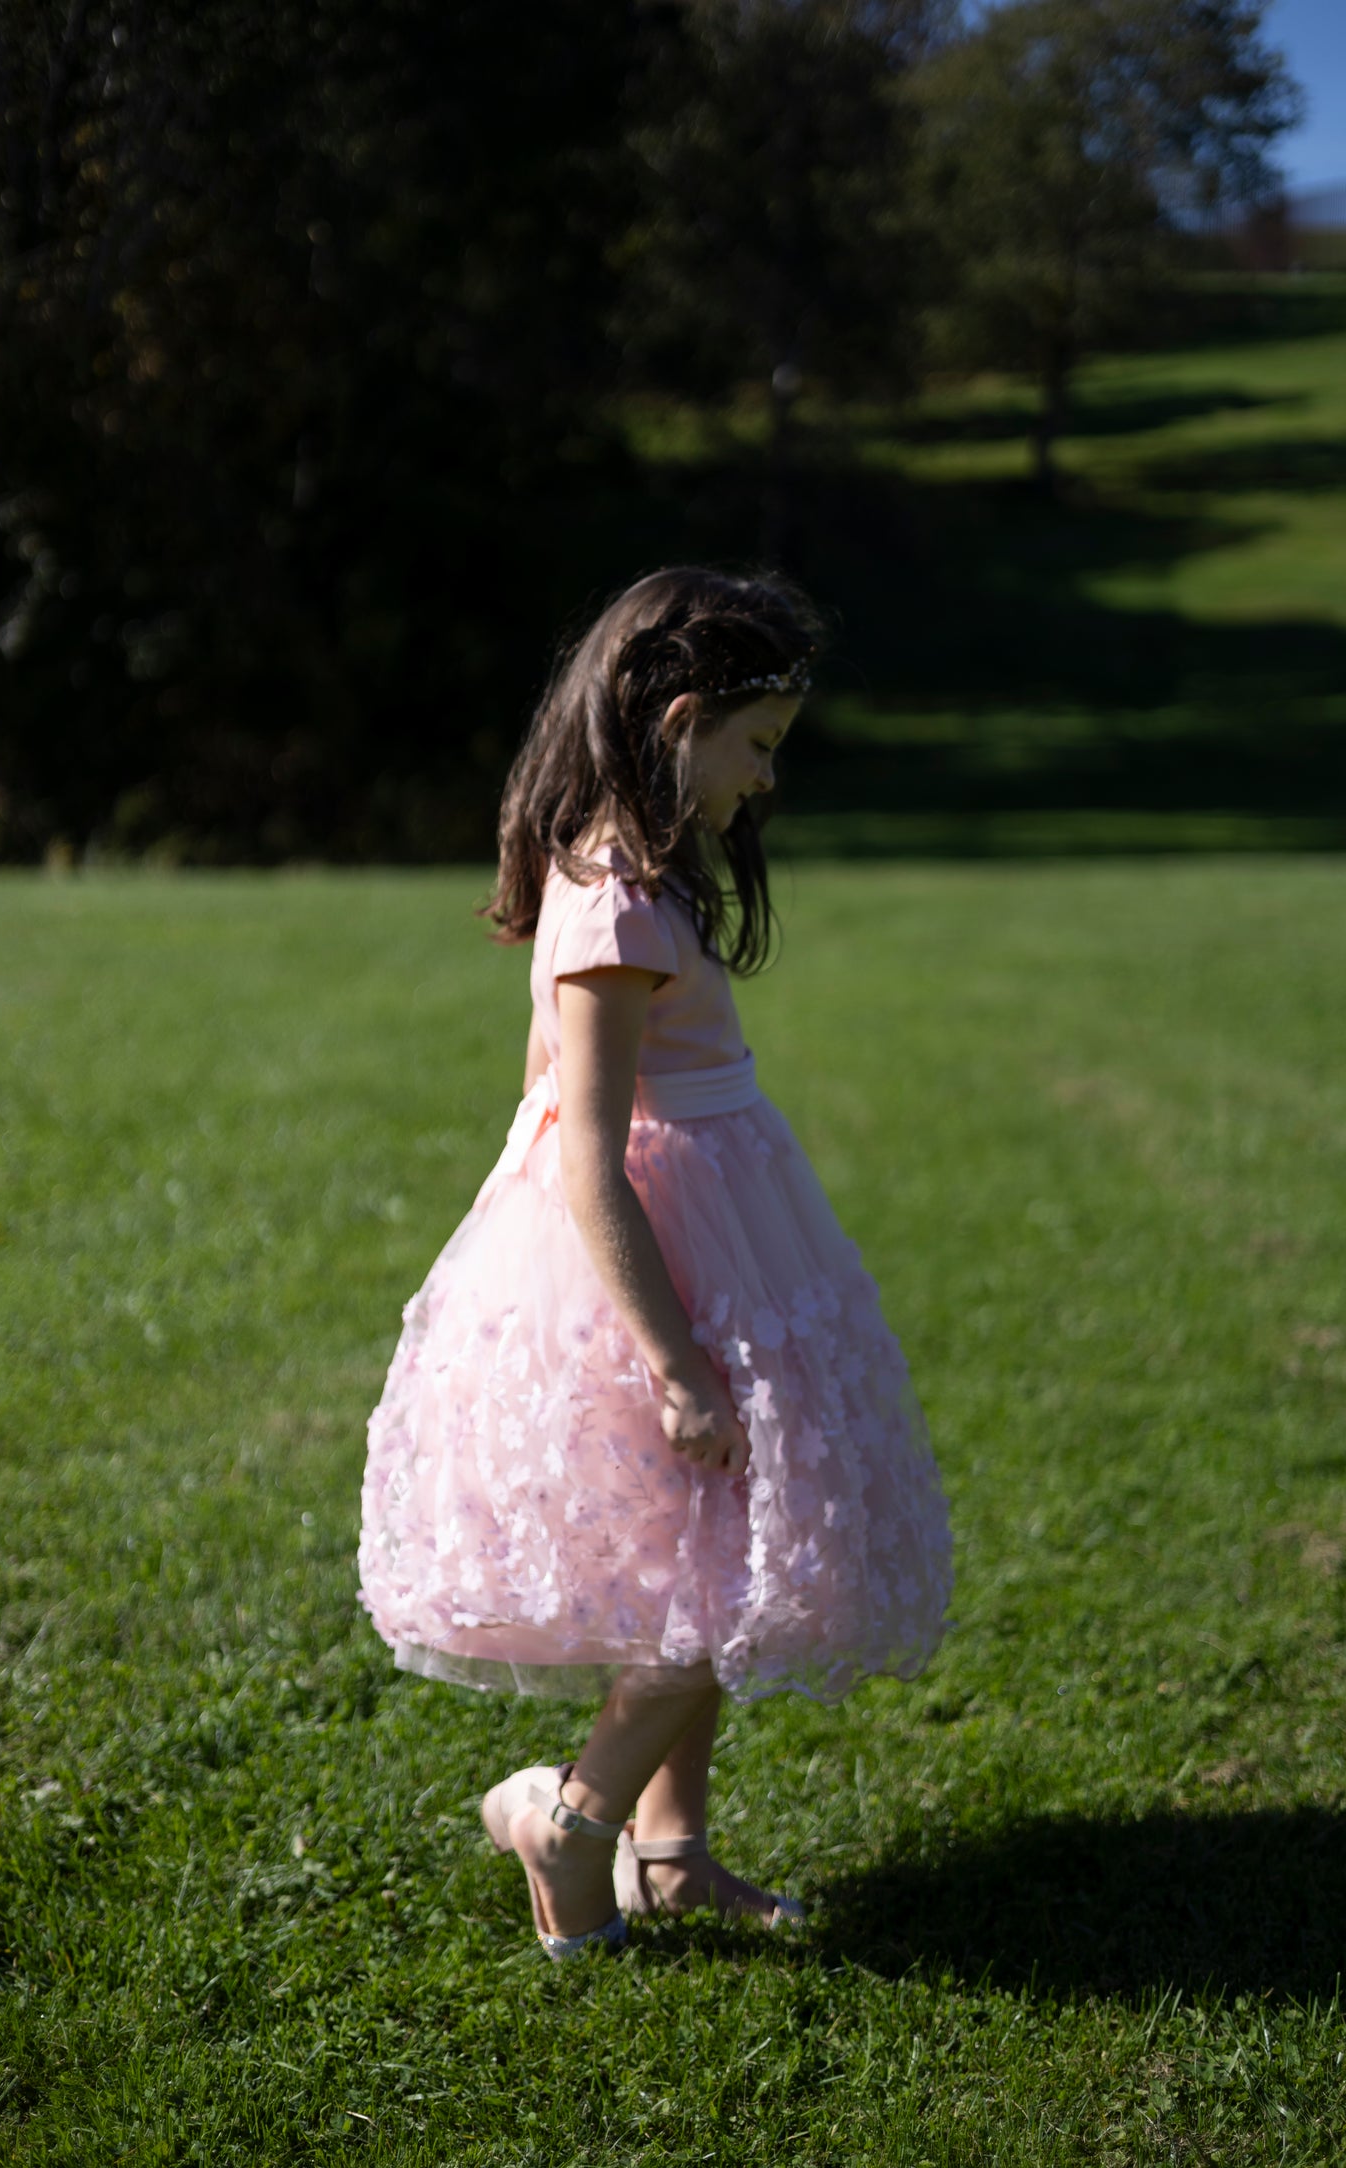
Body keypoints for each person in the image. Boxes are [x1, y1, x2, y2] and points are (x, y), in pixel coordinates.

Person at [358, 566, 953, 1958]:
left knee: (712, 1555)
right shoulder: (611, 904)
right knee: (728, 1575)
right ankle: (572, 1818)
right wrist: (674, 1359)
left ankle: (669, 1853)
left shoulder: (647, 876)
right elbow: (584, 1151)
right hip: (648, 1262)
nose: (764, 779)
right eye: (754, 747)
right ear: (679, 720)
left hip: (723, 1229)